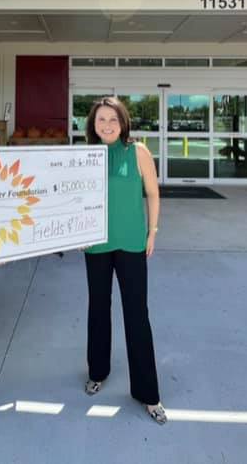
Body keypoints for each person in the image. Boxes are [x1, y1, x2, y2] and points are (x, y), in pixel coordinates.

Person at [82, 96, 166, 424]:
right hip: (97, 245)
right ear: (93, 124)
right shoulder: (86, 155)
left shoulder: (138, 151)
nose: (107, 125)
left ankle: (148, 393)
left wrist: (152, 232)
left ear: (123, 122)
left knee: (137, 314)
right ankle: (97, 372)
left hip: (131, 243)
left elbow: (153, 193)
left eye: (113, 119)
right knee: (98, 309)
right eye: (101, 119)